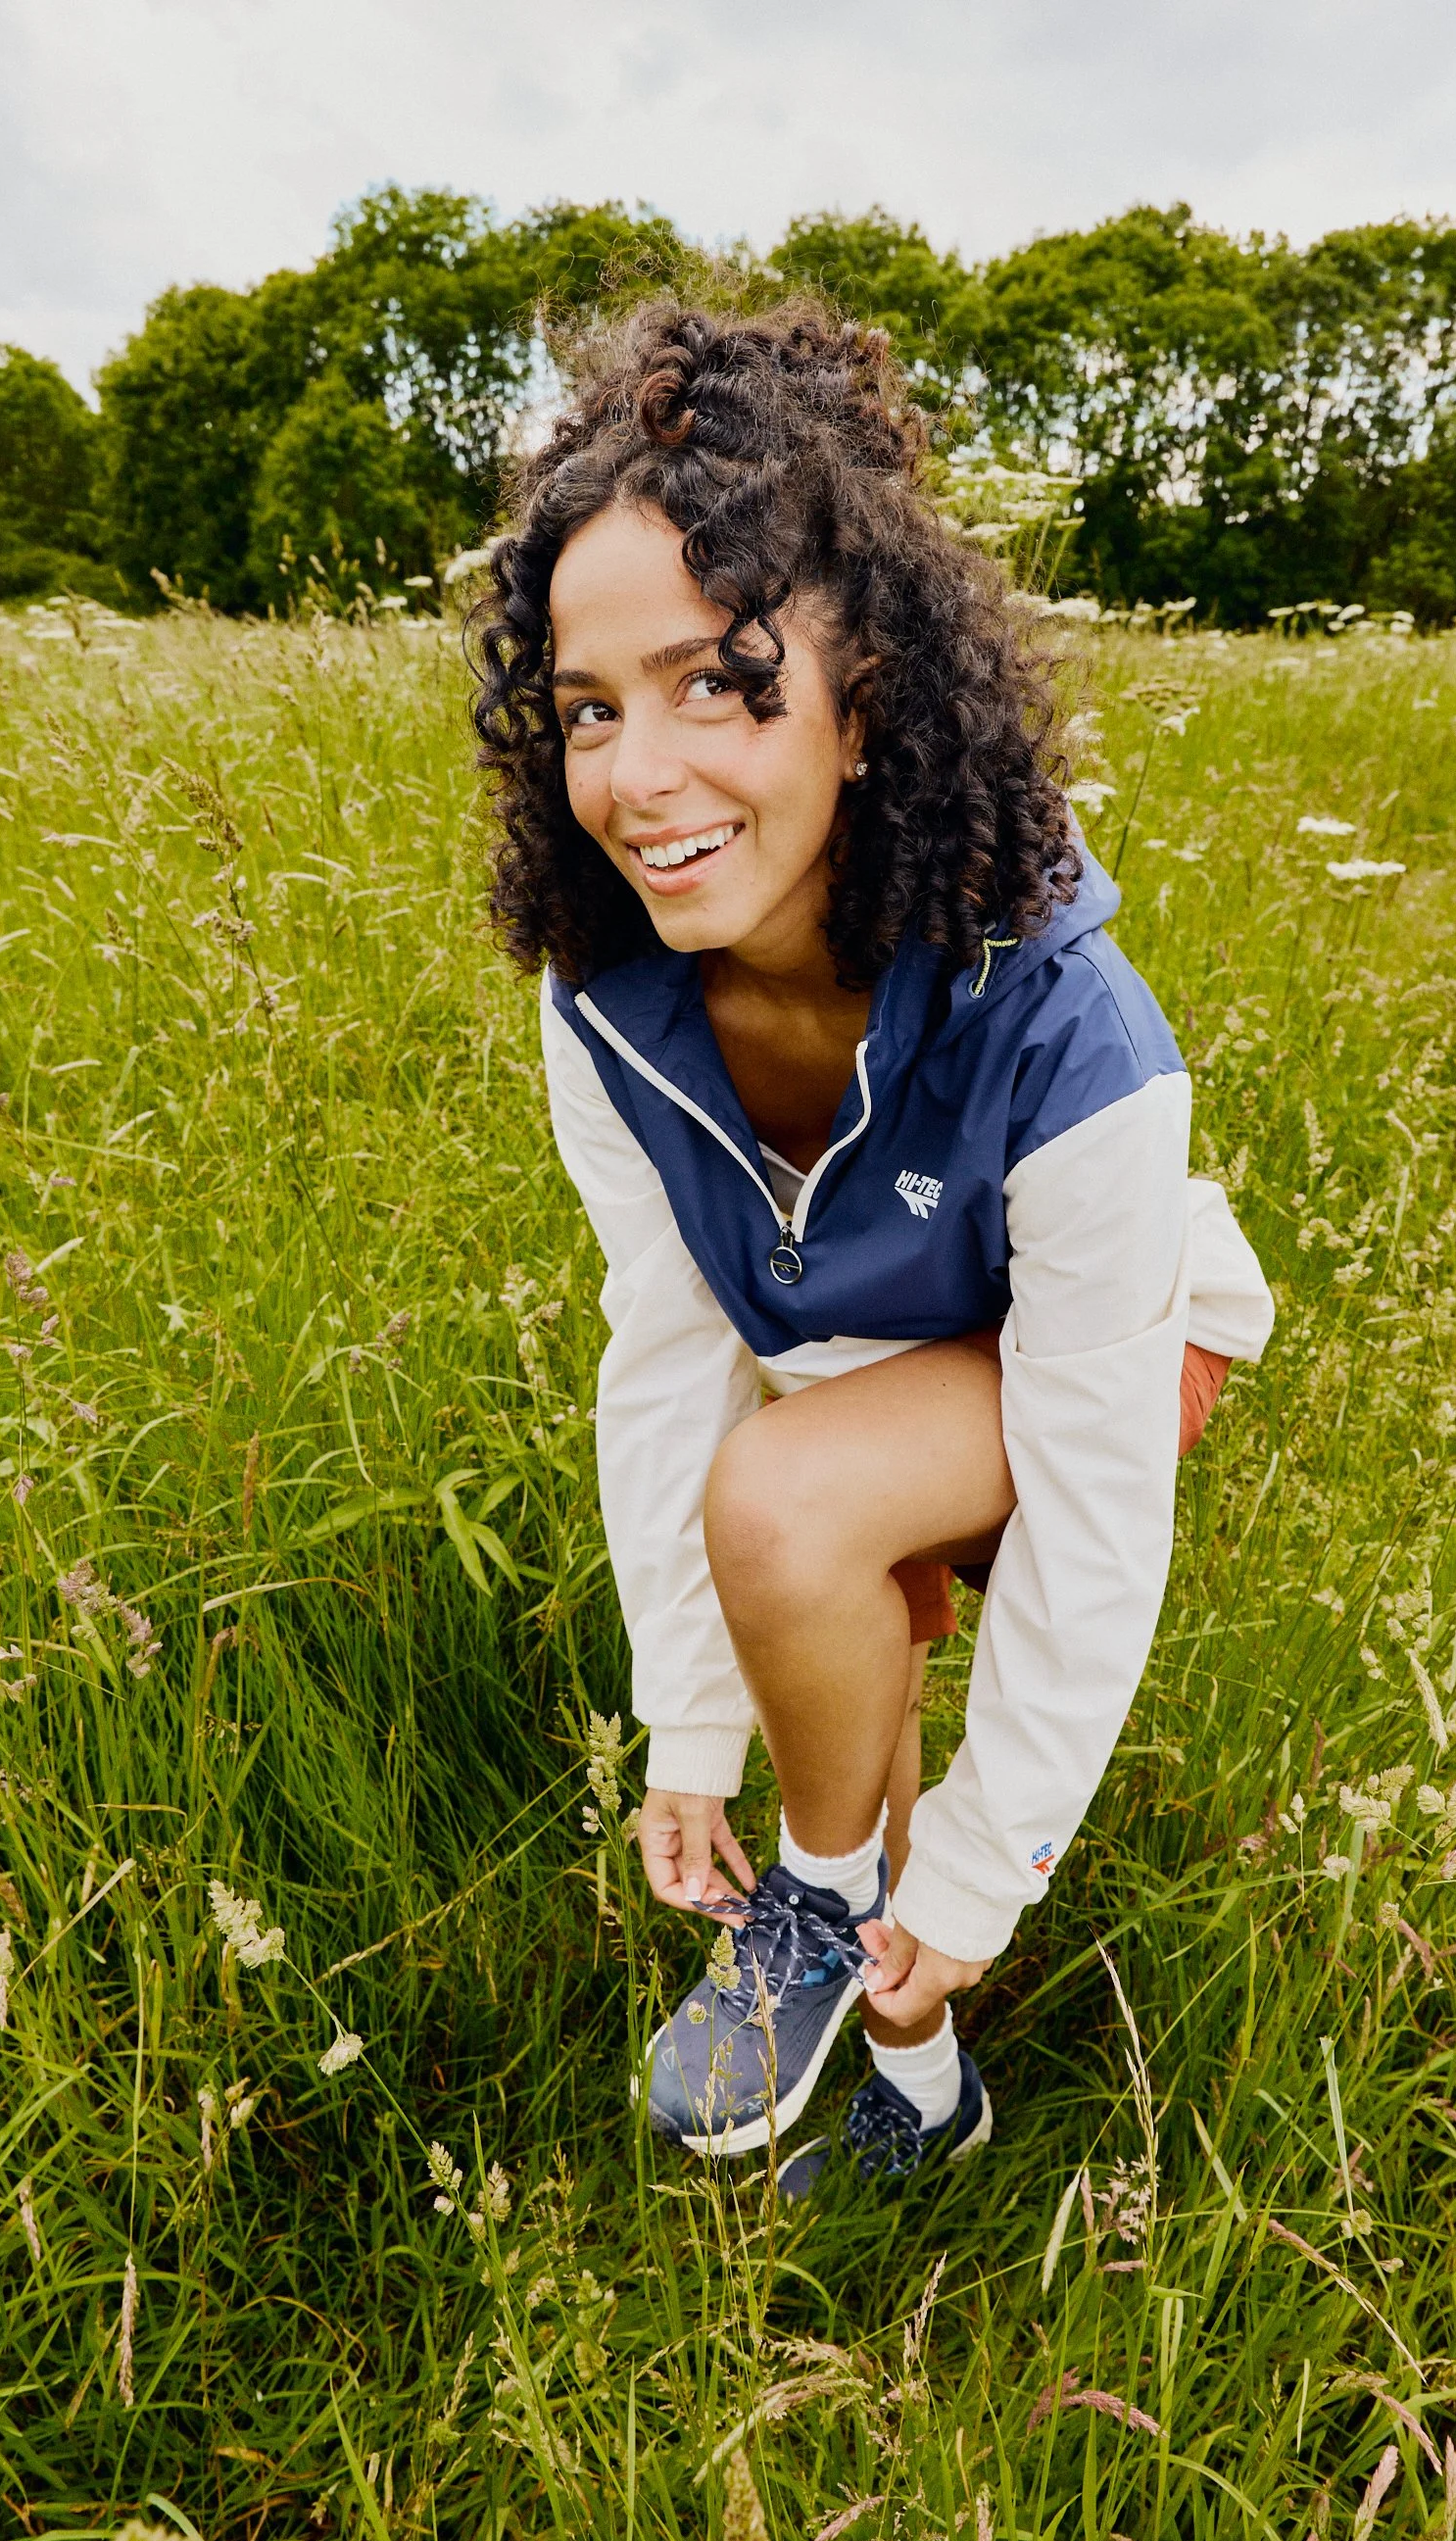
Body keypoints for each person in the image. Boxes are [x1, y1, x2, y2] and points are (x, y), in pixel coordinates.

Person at [470, 301, 1274, 2191]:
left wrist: (992, 1870)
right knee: (830, 1651)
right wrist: (692, 1722)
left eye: (716, 682)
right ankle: (923, 2096)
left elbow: (1090, 1508)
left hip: (1101, 1359)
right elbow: (667, 1348)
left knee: (790, 1511)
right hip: (856, 1366)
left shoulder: (1079, 1036)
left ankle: (826, 1915)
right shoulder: (605, 1007)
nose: (638, 775)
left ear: (870, 698)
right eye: (594, 706)